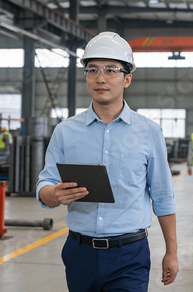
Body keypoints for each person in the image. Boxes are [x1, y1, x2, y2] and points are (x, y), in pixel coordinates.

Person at [36, 32, 178, 291]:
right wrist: (54, 195)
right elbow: (45, 186)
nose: (100, 78)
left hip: (129, 254)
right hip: (79, 253)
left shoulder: (149, 132)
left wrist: (172, 251)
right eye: (92, 70)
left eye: (111, 70)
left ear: (127, 79)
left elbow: (162, 195)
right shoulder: (66, 132)